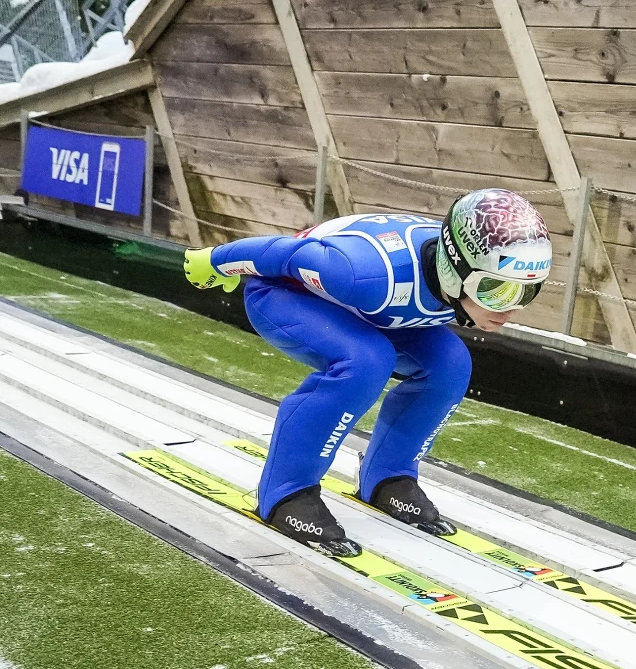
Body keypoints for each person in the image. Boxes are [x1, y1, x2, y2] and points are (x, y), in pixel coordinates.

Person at [182, 189, 553, 556]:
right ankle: (286, 492)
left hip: (374, 308)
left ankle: (389, 476)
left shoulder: (451, 277)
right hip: (285, 294)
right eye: (497, 291)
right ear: (454, 271)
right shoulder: (363, 274)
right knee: (366, 361)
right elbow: (284, 253)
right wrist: (214, 260)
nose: (510, 309)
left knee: (451, 366)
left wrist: (491, 291)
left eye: (527, 293)